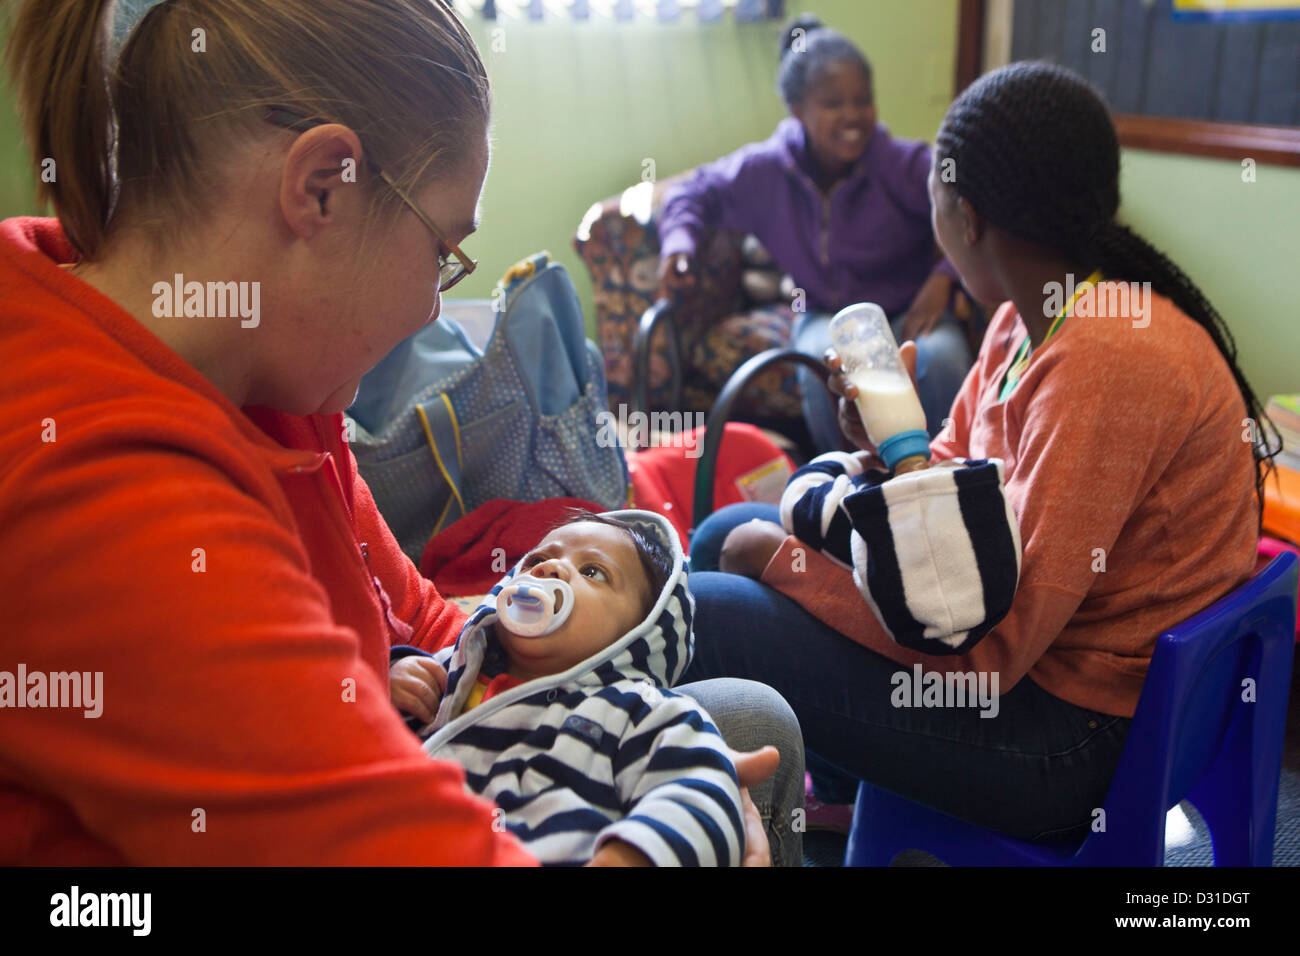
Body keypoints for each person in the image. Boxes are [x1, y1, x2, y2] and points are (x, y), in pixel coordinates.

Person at [0, 0, 804, 867]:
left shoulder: (265, 383)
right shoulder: (113, 503)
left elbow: (423, 617)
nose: (433, 303)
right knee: (741, 752)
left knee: (748, 721)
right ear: (321, 188)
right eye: (442, 253)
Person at [680, 61, 1275, 842]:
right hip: (1033, 666)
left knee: (709, 615)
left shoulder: (1109, 359)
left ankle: (773, 802)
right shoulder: (1024, 320)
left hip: (1074, 739)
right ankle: (846, 785)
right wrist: (883, 447)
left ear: (965, 219)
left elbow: (991, 650)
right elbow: (954, 492)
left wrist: (785, 564)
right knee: (729, 534)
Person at [657, 13, 975, 450]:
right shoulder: (765, 171)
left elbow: (967, 203)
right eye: (833, 104)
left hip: (906, 308)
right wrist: (679, 246)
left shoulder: (900, 164)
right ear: (798, 109)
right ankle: (846, 481)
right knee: (827, 363)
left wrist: (943, 278)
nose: (852, 116)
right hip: (825, 311)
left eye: (862, 101)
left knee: (940, 359)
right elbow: (692, 192)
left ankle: (947, 470)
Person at [392, 510, 745, 866]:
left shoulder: (641, 710)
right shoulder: (449, 676)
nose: (549, 569)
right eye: (537, 560)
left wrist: (631, 855)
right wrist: (391, 686)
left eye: (592, 571)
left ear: (643, 632)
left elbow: (700, 789)